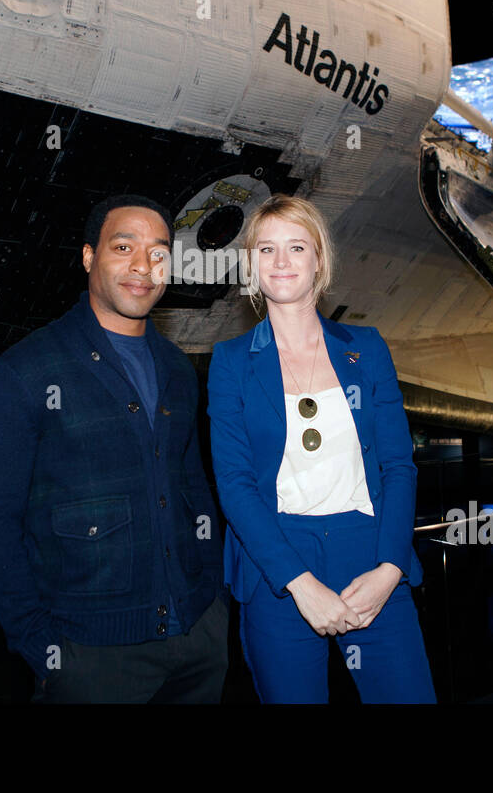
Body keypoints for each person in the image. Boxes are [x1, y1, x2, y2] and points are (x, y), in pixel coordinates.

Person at [0, 194, 228, 702]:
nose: (142, 267)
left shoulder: (177, 367)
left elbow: (194, 489)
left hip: (197, 640)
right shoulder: (28, 369)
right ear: (89, 257)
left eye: (158, 253)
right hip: (90, 657)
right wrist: (41, 647)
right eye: (123, 247)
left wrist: (214, 601)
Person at [207, 194, 435, 703]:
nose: (281, 262)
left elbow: (399, 466)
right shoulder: (231, 362)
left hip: (371, 555)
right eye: (265, 250)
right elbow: (235, 485)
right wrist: (299, 584)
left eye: (296, 247)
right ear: (251, 266)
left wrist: (391, 568)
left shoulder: (367, 347)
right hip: (278, 568)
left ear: (320, 260)